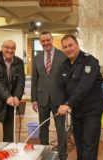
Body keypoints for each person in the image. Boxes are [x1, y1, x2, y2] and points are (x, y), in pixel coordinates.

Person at [58, 35, 103, 160]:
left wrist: (68, 104)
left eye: (70, 45)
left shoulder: (90, 61)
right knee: (79, 143)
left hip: (92, 111)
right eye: (65, 47)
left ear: (77, 45)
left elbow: (84, 87)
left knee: (89, 144)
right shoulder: (65, 64)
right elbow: (62, 87)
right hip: (77, 111)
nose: (68, 49)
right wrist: (61, 103)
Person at [31, 31, 68, 159]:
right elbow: (34, 80)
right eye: (43, 41)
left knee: (60, 129)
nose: (46, 43)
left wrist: (67, 102)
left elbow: (67, 81)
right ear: (40, 42)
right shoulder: (37, 58)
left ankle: (63, 155)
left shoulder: (63, 56)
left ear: (52, 40)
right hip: (42, 99)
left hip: (59, 100)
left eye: (48, 40)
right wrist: (33, 100)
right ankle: (44, 153)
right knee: (43, 128)